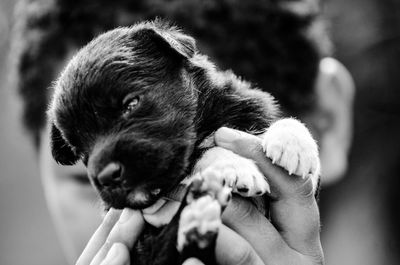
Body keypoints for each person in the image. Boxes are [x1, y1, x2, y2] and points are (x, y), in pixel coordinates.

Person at [10, 0, 354, 264]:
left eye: (131, 107)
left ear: (325, 120)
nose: (108, 171)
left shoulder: (252, 116)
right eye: (85, 179)